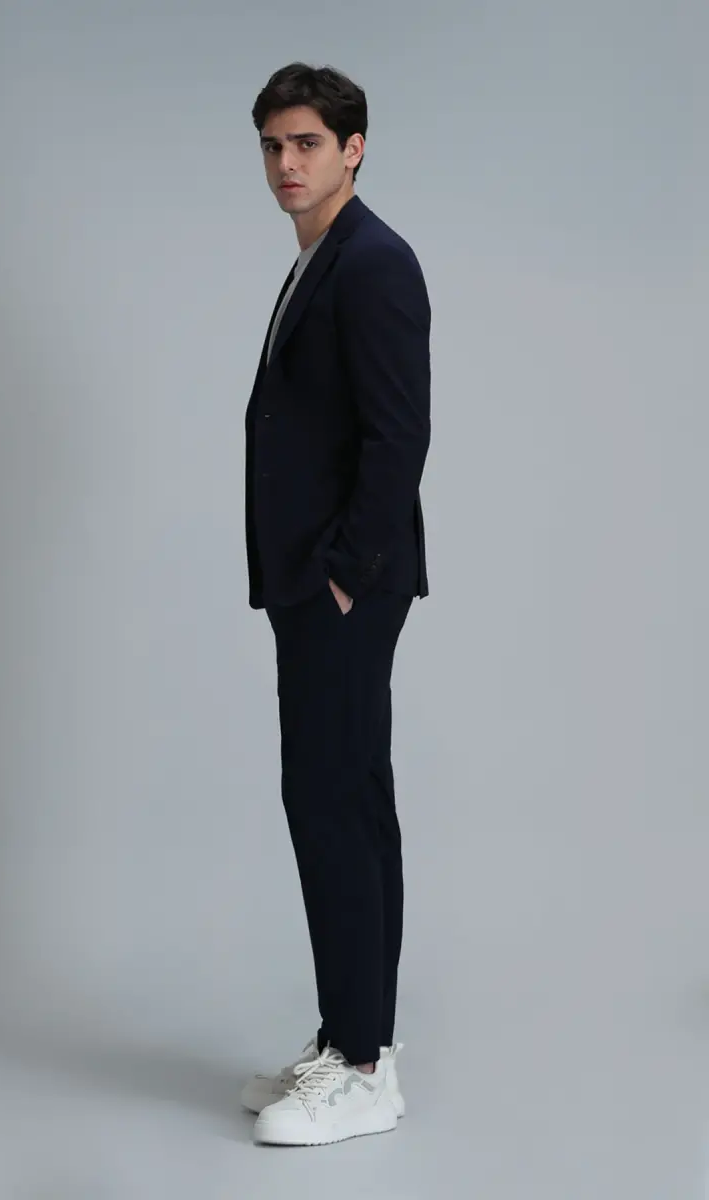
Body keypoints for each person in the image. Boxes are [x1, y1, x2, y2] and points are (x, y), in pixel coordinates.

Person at [241, 62, 432, 1147]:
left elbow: (398, 434)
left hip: (343, 584)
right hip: (316, 580)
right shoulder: (321, 257)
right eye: (273, 144)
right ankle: (355, 1044)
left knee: (330, 803)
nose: (286, 162)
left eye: (306, 142)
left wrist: (345, 575)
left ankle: (359, 1067)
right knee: (345, 800)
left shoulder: (373, 261)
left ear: (352, 149)